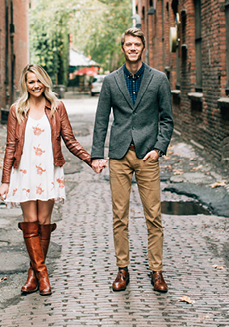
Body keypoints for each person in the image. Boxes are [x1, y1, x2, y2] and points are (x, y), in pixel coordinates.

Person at [0, 64, 97, 296]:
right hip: (23, 171)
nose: (35, 85)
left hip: (48, 171)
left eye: (38, 80)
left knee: (44, 222)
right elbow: (11, 145)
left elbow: (69, 139)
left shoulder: (57, 107)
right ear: (26, 84)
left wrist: (90, 160)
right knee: (30, 221)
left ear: (45, 81)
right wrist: (5, 180)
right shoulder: (17, 109)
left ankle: (33, 273)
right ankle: (43, 275)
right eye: (31, 82)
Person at [91, 28, 173, 293]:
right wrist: (96, 155)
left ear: (143, 48)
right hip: (118, 156)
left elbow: (167, 119)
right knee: (120, 216)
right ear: (123, 48)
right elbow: (102, 120)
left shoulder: (159, 79)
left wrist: (159, 148)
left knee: (153, 216)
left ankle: (156, 271)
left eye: (137, 44)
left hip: (148, 155)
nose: (133, 48)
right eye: (128, 44)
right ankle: (122, 270)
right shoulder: (111, 81)